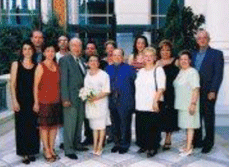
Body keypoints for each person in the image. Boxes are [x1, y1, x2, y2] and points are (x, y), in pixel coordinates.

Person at [192, 29, 224, 153]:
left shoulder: (216, 54)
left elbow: (218, 74)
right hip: (195, 91)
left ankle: (209, 142)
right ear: (197, 40)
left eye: (204, 37)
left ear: (208, 39)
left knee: (208, 118)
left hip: (208, 91)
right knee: (196, 116)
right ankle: (198, 140)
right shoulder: (192, 53)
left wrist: (213, 90)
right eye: (199, 38)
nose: (202, 40)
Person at [10, 41, 40, 164]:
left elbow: (36, 86)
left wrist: (37, 102)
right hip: (20, 101)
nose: (27, 51)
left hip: (32, 100)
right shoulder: (16, 64)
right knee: (22, 127)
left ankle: (32, 151)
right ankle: (24, 154)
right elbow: (12, 85)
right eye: (24, 49)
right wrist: (14, 101)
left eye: (29, 49)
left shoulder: (36, 66)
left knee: (33, 127)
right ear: (22, 51)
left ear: (33, 51)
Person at [59, 37, 88, 160]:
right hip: (70, 98)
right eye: (74, 46)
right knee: (70, 124)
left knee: (79, 122)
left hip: (81, 98)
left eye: (79, 46)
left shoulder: (81, 60)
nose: (77, 48)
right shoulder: (65, 60)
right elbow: (63, 81)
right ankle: (68, 149)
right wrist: (65, 98)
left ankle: (77, 144)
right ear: (70, 47)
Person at [33, 43, 63, 162]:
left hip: (56, 101)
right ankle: (46, 149)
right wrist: (36, 102)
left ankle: (51, 148)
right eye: (48, 51)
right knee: (44, 127)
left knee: (54, 127)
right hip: (44, 101)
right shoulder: (40, 66)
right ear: (44, 53)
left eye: (52, 51)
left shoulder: (57, 66)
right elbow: (35, 86)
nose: (50, 53)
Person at [135, 47, 166, 157]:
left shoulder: (158, 70)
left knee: (152, 127)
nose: (148, 58)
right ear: (142, 57)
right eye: (146, 56)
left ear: (154, 58)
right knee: (142, 126)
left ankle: (153, 147)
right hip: (140, 104)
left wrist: (155, 101)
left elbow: (161, 88)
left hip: (152, 104)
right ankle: (144, 145)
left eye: (150, 56)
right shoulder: (140, 71)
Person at [106, 48, 136, 154]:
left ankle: (124, 144)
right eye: (114, 55)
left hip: (125, 100)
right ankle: (117, 143)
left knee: (125, 123)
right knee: (115, 124)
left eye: (119, 55)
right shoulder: (108, 69)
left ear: (123, 57)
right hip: (112, 100)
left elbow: (135, 85)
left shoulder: (130, 69)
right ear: (112, 57)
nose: (117, 57)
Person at [174, 50, 200, 156]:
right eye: (181, 59)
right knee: (186, 125)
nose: (183, 61)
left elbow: (196, 89)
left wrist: (193, 103)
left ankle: (189, 148)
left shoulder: (192, 72)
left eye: (186, 59)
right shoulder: (181, 71)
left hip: (190, 104)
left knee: (190, 127)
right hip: (181, 104)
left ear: (190, 60)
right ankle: (187, 145)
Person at [84, 55, 111, 155]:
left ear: (98, 63)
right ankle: (94, 145)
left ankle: (100, 146)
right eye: (91, 60)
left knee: (101, 126)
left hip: (101, 102)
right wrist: (87, 96)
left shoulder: (104, 75)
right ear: (88, 63)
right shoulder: (87, 74)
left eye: (95, 60)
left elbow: (106, 90)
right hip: (90, 103)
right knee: (94, 126)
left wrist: (95, 97)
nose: (93, 62)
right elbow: (86, 89)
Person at [156, 40, 179, 150]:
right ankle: (158, 137)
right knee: (159, 114)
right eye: (163, 50)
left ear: (171, 51)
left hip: (171, 92)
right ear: (159, 51)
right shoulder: (157, 62)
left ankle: (168, 137)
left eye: (167, 50)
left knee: (170, 115)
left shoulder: (176, 61)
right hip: (160, 92)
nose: (165, 52)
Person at [128, 36, 148, 148]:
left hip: (145, 88)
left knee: (145, 112)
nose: (140, 45)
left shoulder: (148, 56)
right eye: (138, 43)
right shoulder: (132, 56)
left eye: (142, 43)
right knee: (137, 113)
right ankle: (139, 138)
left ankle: (146, 138)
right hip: (134, 88)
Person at [81, 40, 98, 146]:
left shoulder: (101, 63)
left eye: (92, 48)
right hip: (86, 94)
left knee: (97, 117)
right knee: (87, 117)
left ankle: (99, 138)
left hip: (98, 95)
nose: (90, 50)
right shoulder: (81, 62)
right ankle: (88, 137)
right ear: (85, 50)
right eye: (88, 48)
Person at [55, 35, 69, 150]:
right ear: (58, 43)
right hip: (57, 90)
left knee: (69, 116)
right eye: (61, 41)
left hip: (70, 90)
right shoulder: (54, 56)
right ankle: (62, 141)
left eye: (65, 40)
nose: (63, 43)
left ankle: (71, 139)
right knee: (60, 118)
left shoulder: (71, 56)